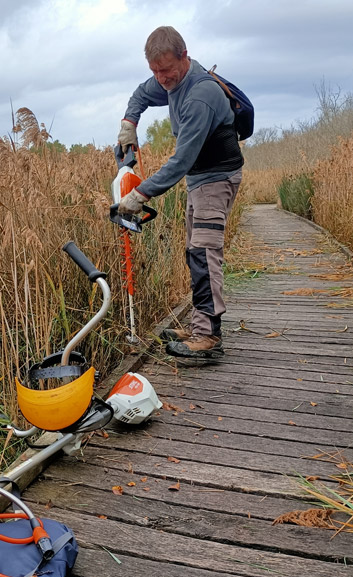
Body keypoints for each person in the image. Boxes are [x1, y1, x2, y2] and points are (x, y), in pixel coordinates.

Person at [117, 26, 243, 359]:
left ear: (184, 57)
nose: (161, 78)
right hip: (200, 180)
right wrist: (129, 121)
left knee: (204, 252)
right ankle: (202, 324)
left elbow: (182, 160)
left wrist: (139, 195)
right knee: (194, 251)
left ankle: (207, 336)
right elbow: (141, 95)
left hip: (217, 178)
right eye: (155, 71)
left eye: (167, 69)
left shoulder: (201, 94)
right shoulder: (169, 81)